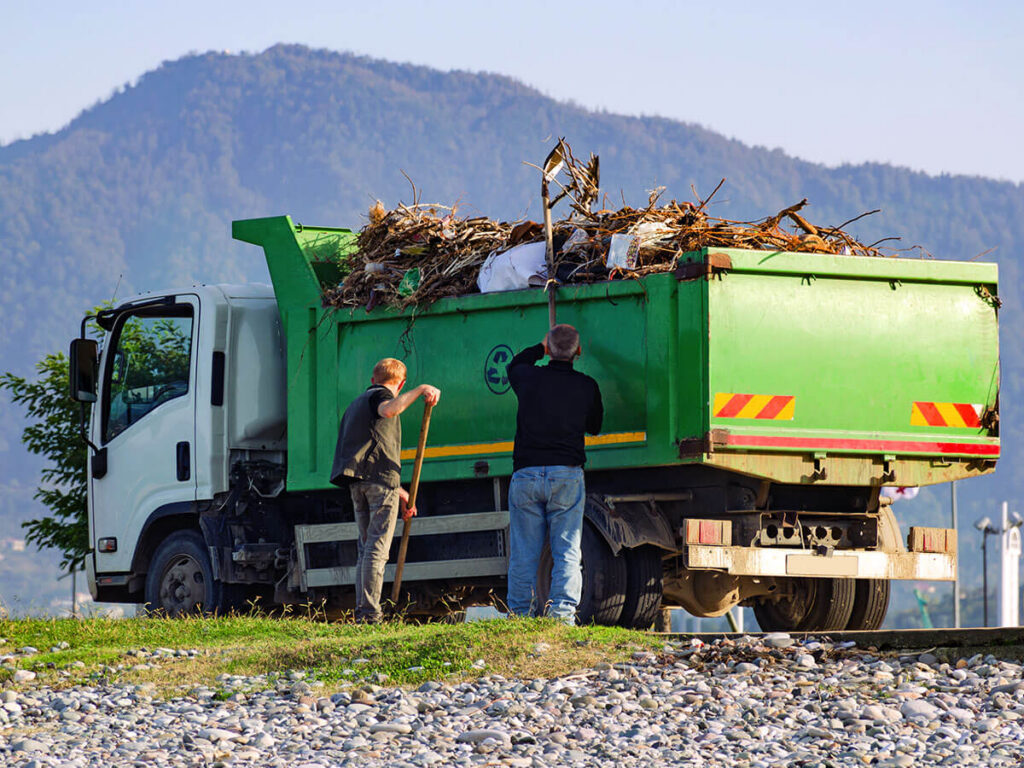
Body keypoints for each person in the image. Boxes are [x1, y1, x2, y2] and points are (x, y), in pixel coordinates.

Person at [330, 357, 441, 623]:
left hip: (360, 482)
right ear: (401, 384)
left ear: (372, 378)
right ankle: (370, 614)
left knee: (366, 549)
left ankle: (363, 610)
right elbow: (389, 410)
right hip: (378, 483)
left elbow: (372, 449)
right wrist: (421, 389)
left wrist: (399, 491)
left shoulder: (356, 404)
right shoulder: (380, 397)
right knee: (377, 550)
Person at [505, 324, 603, 623]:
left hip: (526, 474)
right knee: (567, 549)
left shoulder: (528, 377)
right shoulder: (587, 385)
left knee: (524, 552)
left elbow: (515, 363)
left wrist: (541, 347)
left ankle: (521, 616)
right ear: (579, 352)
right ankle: (561, 616)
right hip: (566, 475)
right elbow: (595, 427)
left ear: (548, 348)